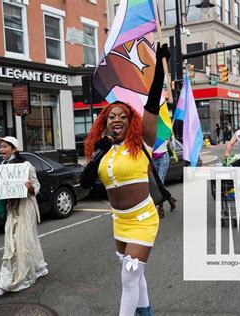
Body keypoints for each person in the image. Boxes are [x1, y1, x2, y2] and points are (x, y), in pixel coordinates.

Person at [80, 43, 170, 316]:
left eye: (122, 115)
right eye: (111, 116)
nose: (116, 119)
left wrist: (161, 69)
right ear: (104, 123)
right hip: (119, 221)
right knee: (135, 275)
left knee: (128, 278)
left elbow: (152, 102)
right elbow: (84, 183)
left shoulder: (142, 141)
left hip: (142, 219)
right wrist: (99, 154)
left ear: (131, 121)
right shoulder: (102, 149)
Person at [0, 136, 48, 296]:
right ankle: (40, 267)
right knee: (23, 239)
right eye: (0, 147)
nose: (1, 150)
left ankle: (7, 281)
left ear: (14, 149)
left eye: (4, 147)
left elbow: (36, 185)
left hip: (25, 207)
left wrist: (30, 188)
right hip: (11, 208)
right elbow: (0, 187)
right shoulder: (2, 166)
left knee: (18, 241)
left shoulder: (26, 166)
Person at [152, 137, 177, 218]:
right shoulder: (151, 128)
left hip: (163, 157)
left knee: (159, 183)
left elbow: (173, 148)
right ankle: (170, 199)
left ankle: (161, 208)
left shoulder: (166, 129)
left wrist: (170, 139)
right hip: (152, 158)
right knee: (156, 183)